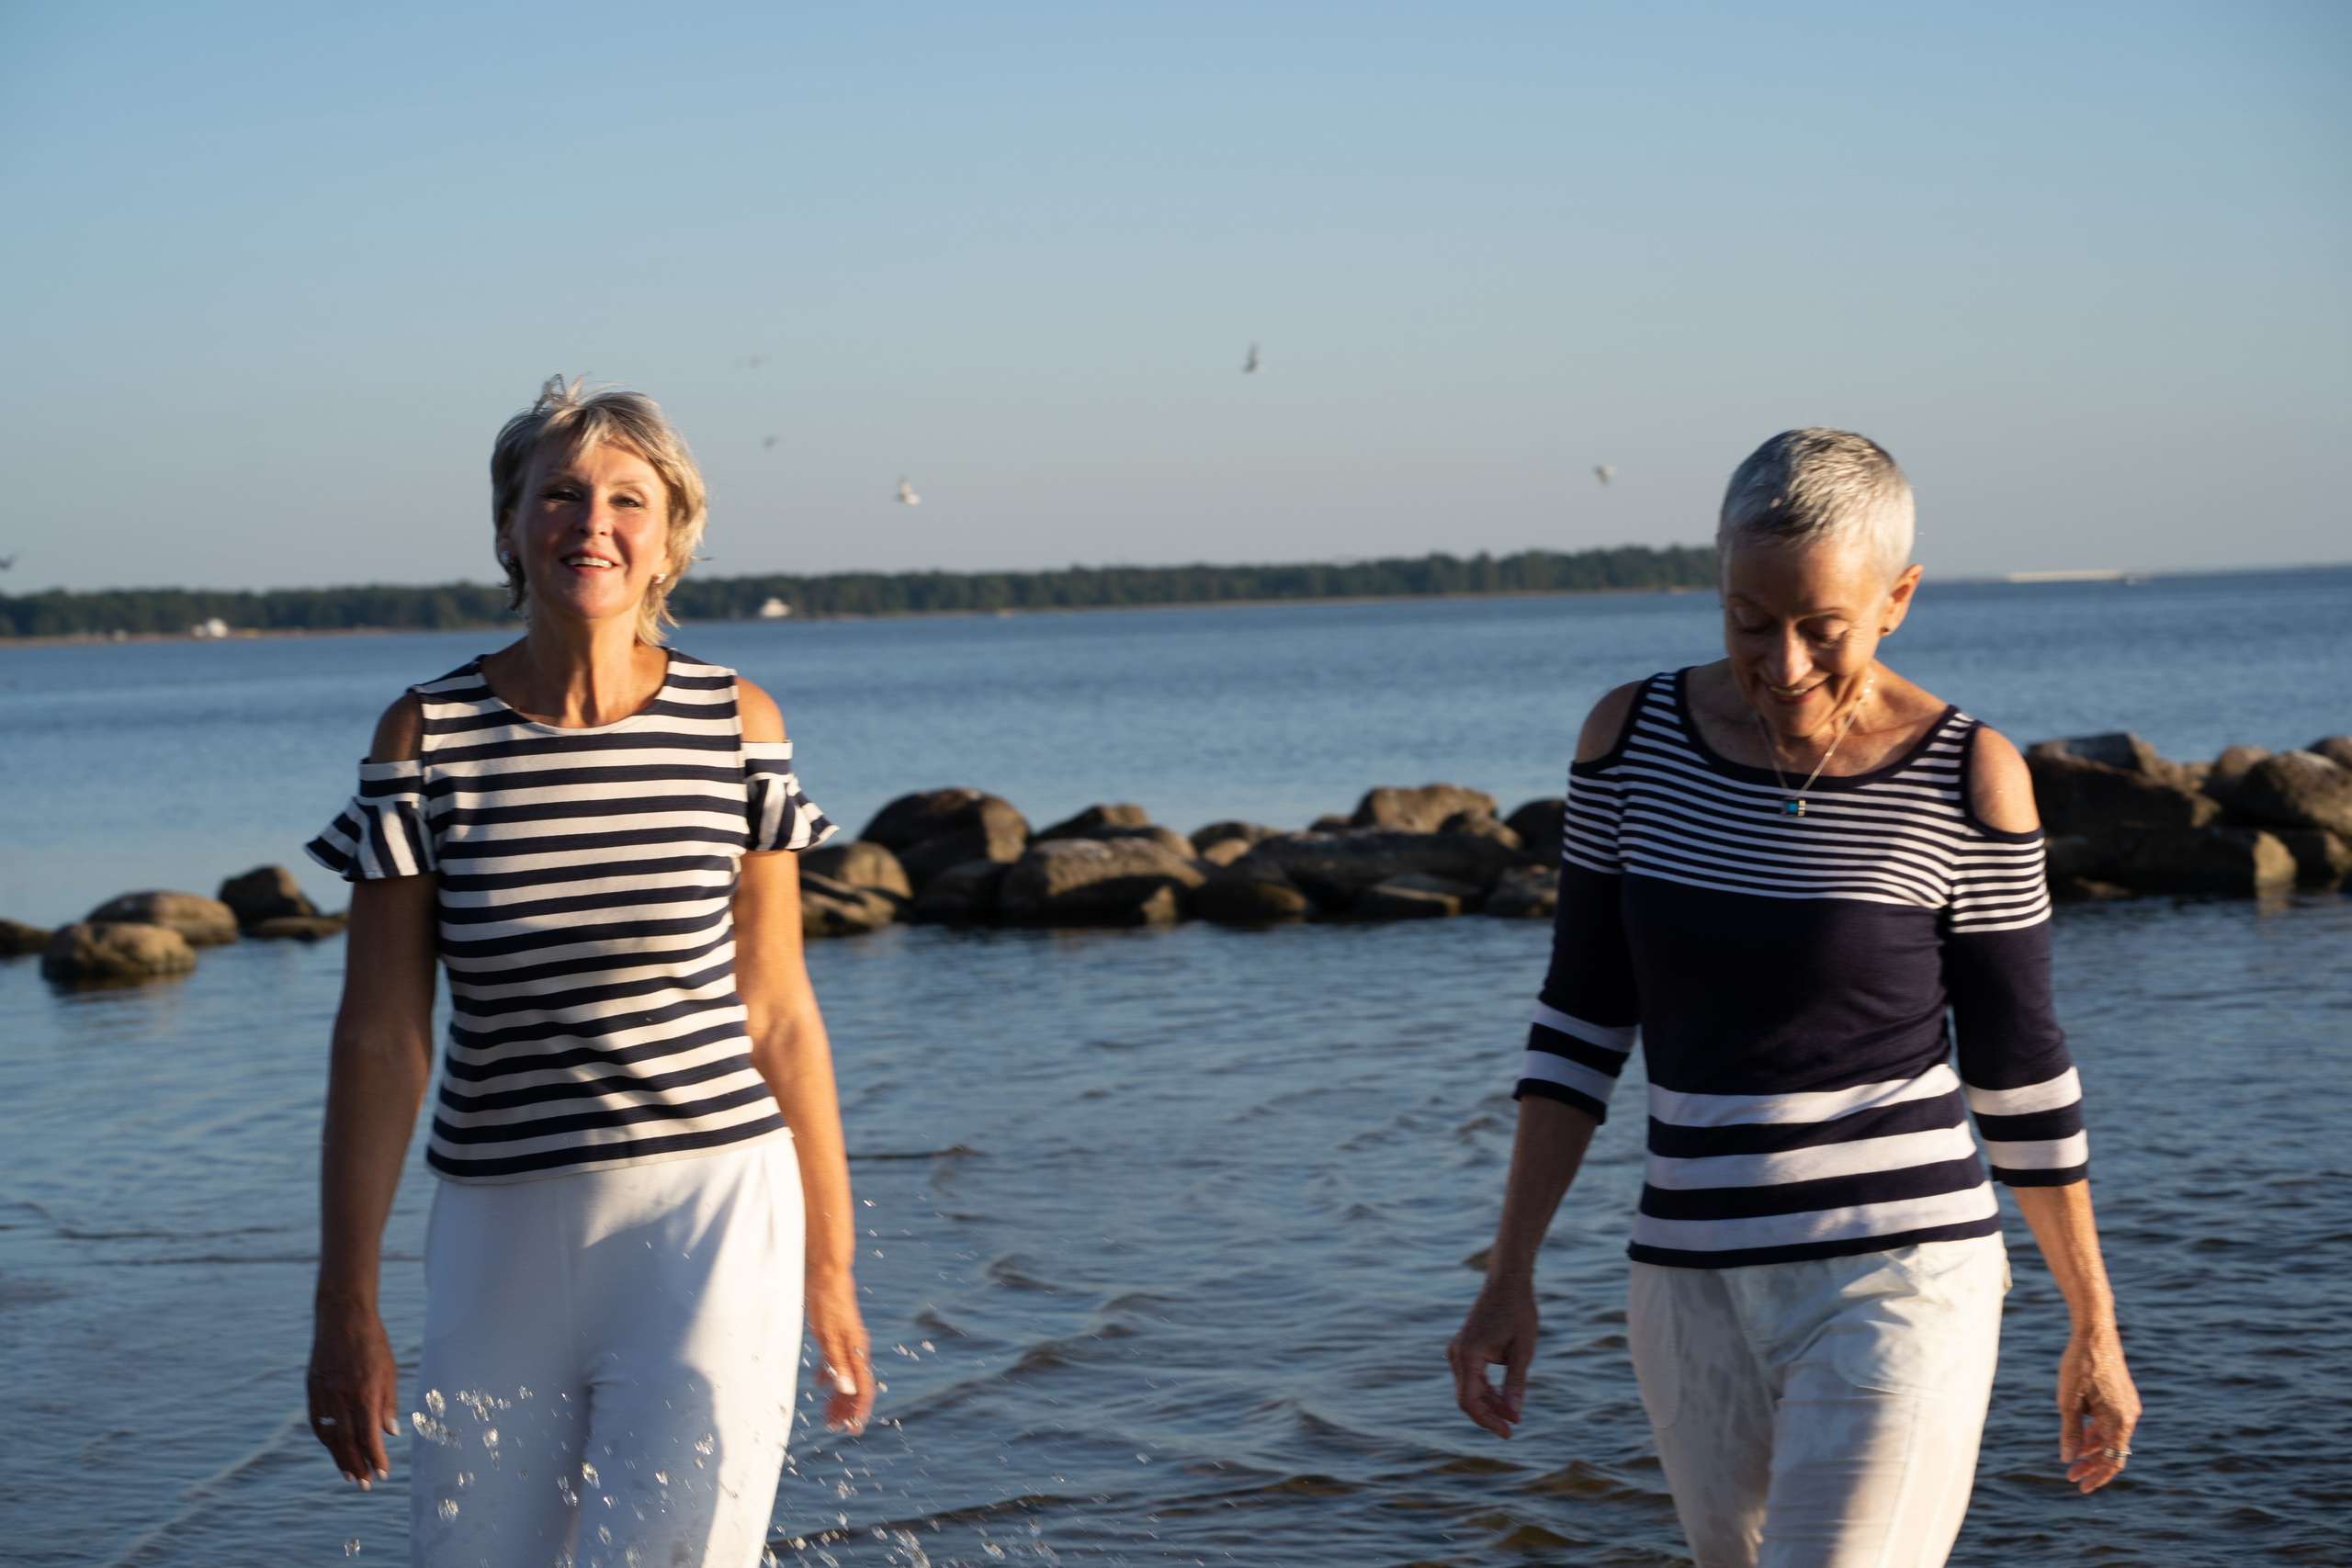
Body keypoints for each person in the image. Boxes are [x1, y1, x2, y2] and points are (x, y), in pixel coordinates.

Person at [1447, 430, 2139, 1567]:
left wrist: (2092, 1326)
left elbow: (2019, 1074)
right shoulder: (1629, 744)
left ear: (1897, 598)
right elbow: (1578, 1027)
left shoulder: (1968, 778)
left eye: (1823, 627)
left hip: (1899, 1272)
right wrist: (1507, 1276)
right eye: (1747, 619)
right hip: (1687, 1284)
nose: (1782, 663)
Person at [301, 377, 871, 1566]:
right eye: (558, 494)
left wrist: (830, 1265)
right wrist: (344, 1298)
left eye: (627, 497)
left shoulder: (737, 724)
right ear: (508, 526)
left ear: (671, 534)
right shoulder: (426, 733)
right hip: (498, 1223)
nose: (591, 522)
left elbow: (778, 1011)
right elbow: (382, 1036)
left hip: (713, 1212)